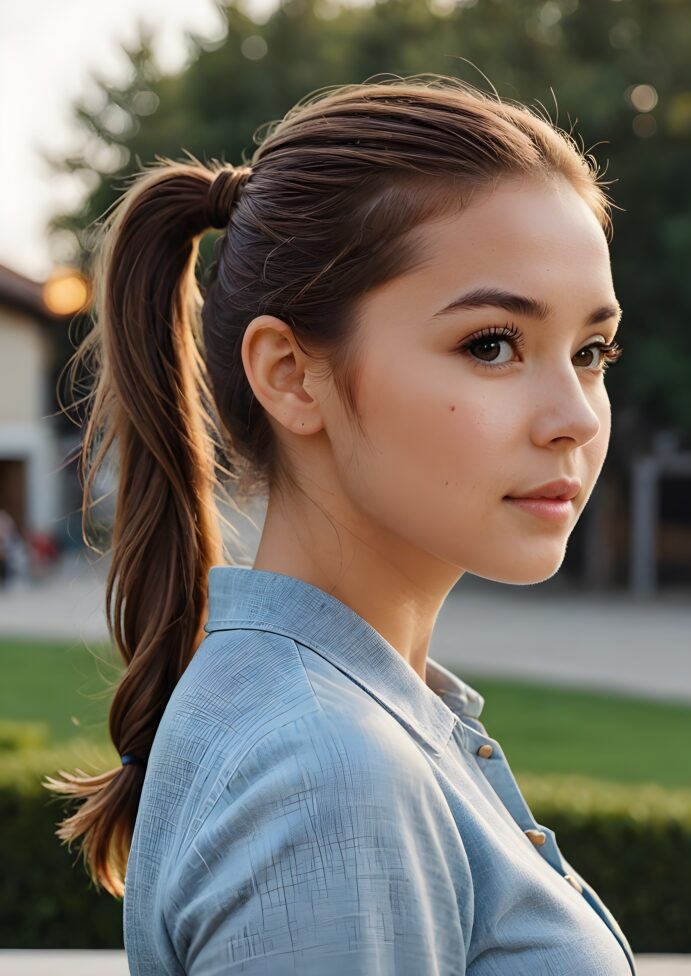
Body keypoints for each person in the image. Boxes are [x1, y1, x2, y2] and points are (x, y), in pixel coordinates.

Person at [43, 77, 633, 974]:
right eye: (491, 344)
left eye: (591, 352)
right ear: (291, 374)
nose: (577, 417)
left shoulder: (344, 720)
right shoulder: (326, 775)